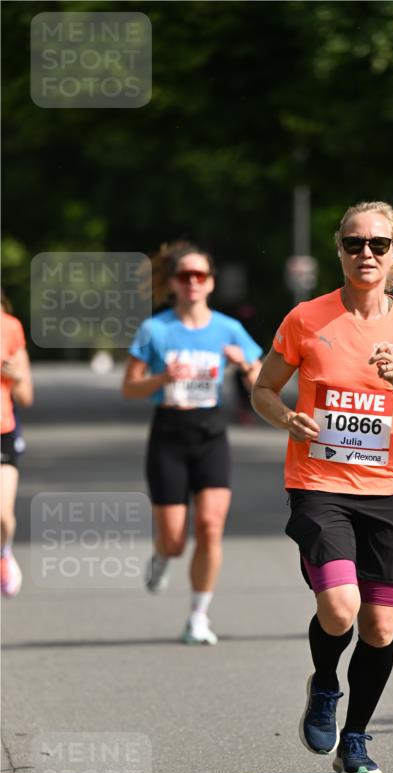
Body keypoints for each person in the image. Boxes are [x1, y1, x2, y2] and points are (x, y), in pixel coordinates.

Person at [252, 202, 393, 773]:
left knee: (379, 626)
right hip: (319, 484)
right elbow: (263, 389)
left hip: (387, 491)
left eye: (378, 244)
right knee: (340, 610)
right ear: (338, 249)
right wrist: (285, 417)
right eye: (353, 243)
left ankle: (356, 739)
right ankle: (323, 686)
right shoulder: (306, 318)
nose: (366, 253)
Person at [122, 242, 263, 644]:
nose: (193, 282)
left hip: (211, 434)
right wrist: (162, 379)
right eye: (185, 276)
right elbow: (129, 388)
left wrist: (246, 365)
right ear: (173, 283)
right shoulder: (155, 330)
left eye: (200, 275)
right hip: (168, 436)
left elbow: (262, 387)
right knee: (174, 539)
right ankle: (162, 555)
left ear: (211, 283)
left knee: (210, 525)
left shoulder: (229, 329)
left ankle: (198, 615)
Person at [1, 298, 34, 597]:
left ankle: (4, 552)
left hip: (3, 432)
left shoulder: (10, 328)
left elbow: (26, 397)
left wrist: (16, 377)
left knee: (2, 515)